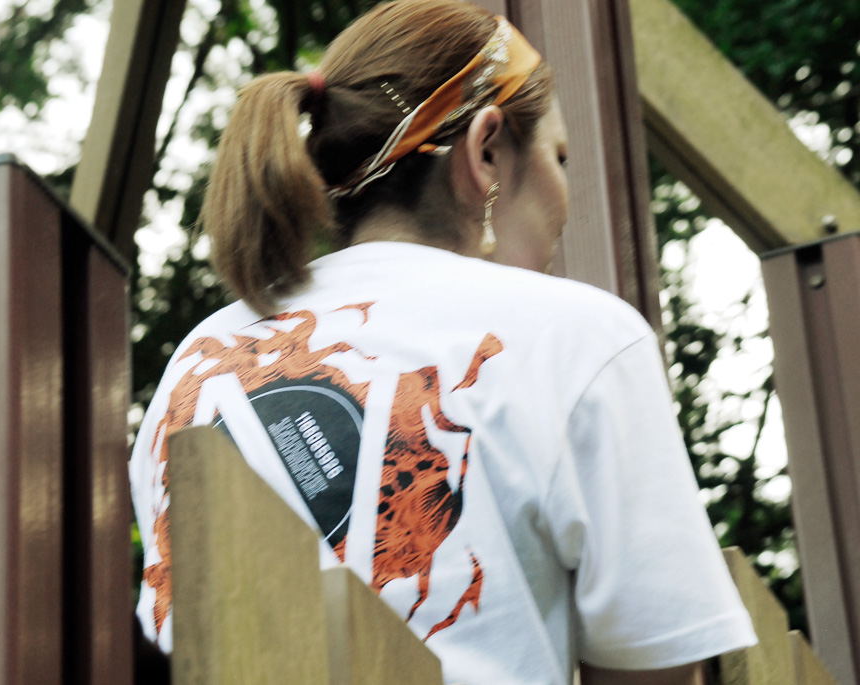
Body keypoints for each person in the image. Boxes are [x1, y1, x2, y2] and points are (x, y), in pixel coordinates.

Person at [129, 1, 757, 682]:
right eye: (559, 156)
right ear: (486, 150)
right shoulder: (579, 339)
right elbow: (655, 667)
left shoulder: (198, 358)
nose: (565, 196)